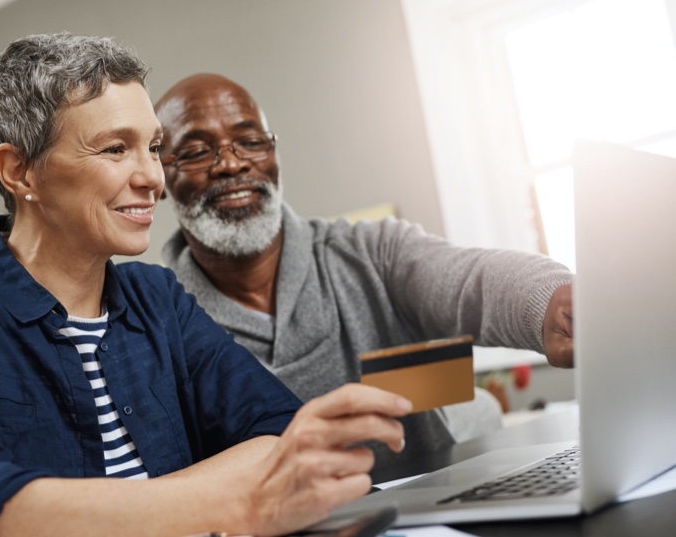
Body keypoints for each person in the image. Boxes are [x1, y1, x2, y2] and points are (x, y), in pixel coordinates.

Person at [0, 33, 412, 537]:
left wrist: (99, 512)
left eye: (154, 147)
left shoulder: (158, 298)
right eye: (116, 149)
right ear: (19, 171)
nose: (152, 177)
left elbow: (281, 434)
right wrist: (232, 502)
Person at [154, 73, 575, 463]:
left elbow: (472, 281)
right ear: (160, 176)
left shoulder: (372, 251)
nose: (232, 164)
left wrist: (552, 303)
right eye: (195, 151)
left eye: (251, 141)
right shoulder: (155, 326)